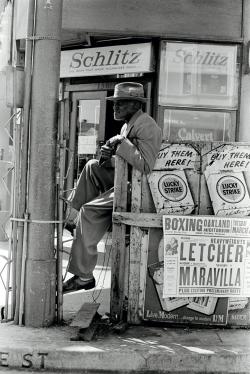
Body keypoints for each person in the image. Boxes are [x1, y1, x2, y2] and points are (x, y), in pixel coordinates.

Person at [63, 82, 162, 293]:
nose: (115, 108)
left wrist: (120, 144)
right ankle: (73, 219)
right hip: (126, 181)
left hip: (138, 191)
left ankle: (84, 276)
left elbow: (145, 166)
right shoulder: (128, 124)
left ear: (136, 104)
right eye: (115, 103)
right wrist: (107, 157)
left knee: (90, 212)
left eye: (121, 103)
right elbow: (125, 160)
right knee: (91, 166)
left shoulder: (147, 126)